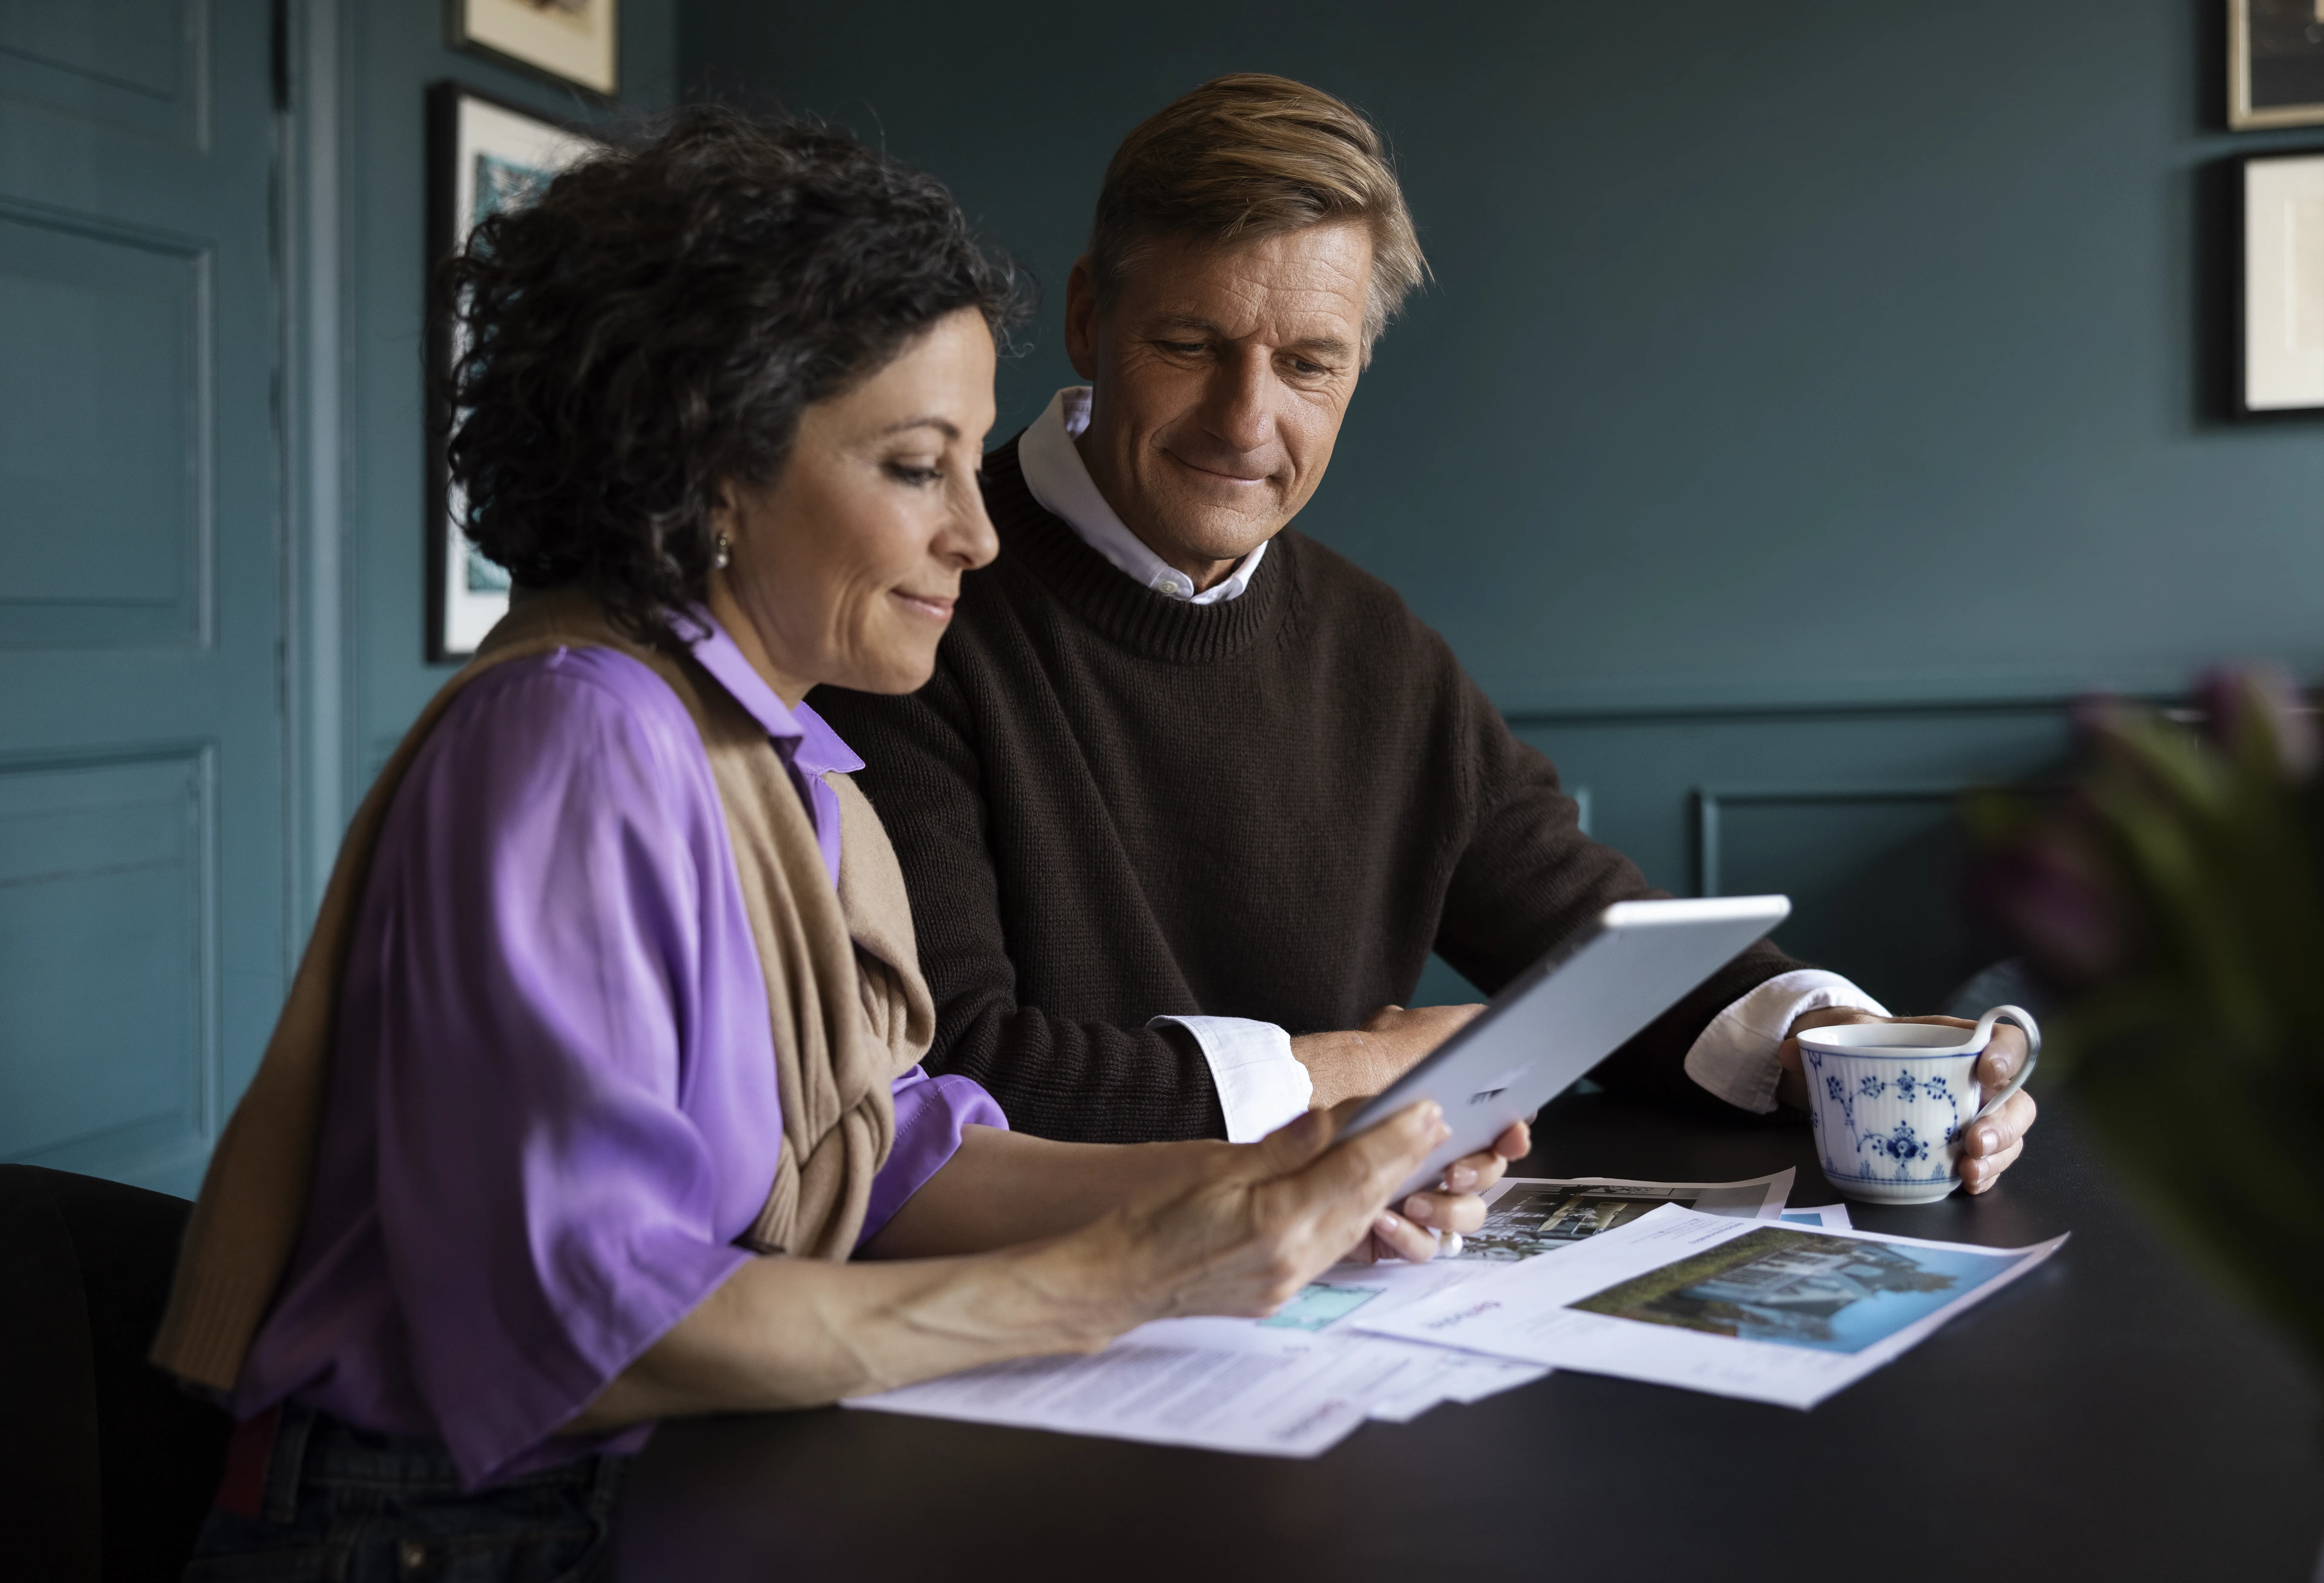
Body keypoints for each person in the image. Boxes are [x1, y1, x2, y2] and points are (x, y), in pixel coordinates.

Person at [155, 110, 1521, 1579]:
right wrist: (1118, 1280)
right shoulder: (572, 743)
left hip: (676, 1478)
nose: (980, 537)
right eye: (918, 469)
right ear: (712, 472)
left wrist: (1289, 1178)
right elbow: (582, 1326)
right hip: (457, 1530)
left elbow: (883, 1162)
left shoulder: (794, 760)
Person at [813, 74, 2038, 1183]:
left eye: (1308, 365)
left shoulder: (1372, 645)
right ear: (1091, 319)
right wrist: (1352, 1070)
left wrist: (1836, 1047)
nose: (1248, 421)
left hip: (1343, 1314)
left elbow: (1591, 940)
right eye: (1192, 346)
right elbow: (955, 1072)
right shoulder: (910, 607)